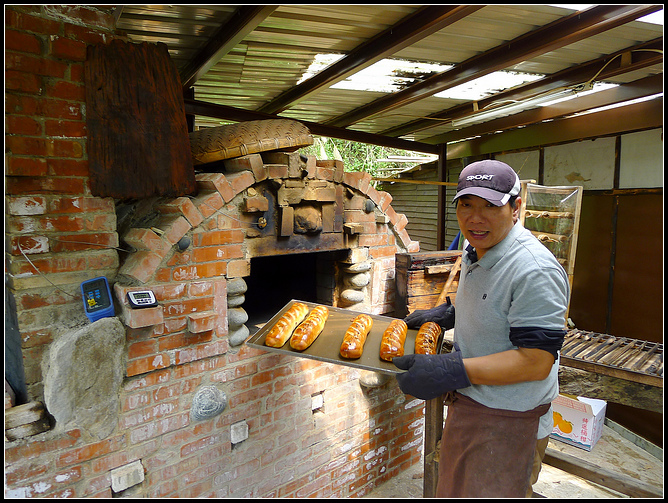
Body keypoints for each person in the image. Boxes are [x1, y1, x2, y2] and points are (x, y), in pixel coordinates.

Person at [393, 159, 569, 498]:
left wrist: (450, 370)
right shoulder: (477, 248)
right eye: (467, 205)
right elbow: (495, 304)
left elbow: (536, 361)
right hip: (472, 403)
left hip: (510, 420)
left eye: (490, 206)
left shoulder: (534, 270)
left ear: (516, 208)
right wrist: (450, 313)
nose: (475, 218)